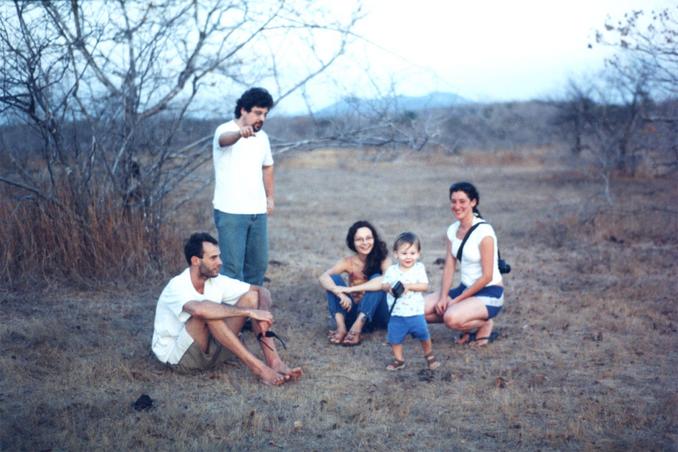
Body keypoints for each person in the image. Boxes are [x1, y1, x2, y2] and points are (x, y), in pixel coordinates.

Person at [151, 232, 302, 386]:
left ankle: (274, 361)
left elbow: (261, 290)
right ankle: (259, 369)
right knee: (208, 313)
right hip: (181, 359)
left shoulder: (216, 281)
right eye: (213, 258)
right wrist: (248, 312)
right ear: (196, 261)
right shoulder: (177, 285)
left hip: (213, 351)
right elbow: (199, 310)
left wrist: (262, 312)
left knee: (251, 297)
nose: (220, 262)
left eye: (219, 256)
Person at [424, 182, 505, 346]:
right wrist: (443, 297)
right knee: (419, 311)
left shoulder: (484, 233)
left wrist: (456, 300)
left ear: (473, 202)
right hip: (465, 288)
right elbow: (449, 266)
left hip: (489, 292)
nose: (457, 206)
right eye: (453, 201)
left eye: (462, 201)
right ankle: (466, 316)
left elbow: (487, 276)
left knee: (450, 318)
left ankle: (484, 323)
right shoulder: (452, 230)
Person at [348, 232, 441, 370]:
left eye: (412, 253)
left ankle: (429, 355)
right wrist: (389, 288)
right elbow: (383, 285)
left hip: (415, 313)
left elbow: (424, 286)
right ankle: (399, 360)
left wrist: (409, 286)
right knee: (395, 339)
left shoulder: (419, 268)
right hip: (397, 314)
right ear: (396, 254)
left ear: (418, 254)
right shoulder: (392, 271)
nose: (408, 257)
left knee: (424, 334)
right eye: (404, 253)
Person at [212, 87, 275, 285]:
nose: (262, 118)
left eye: (265, 114)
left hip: (257, 211)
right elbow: (224, 141)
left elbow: (268, 167)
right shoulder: (224, 130)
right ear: (243, 110)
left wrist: (270, 197)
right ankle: (231, 314)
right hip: (230, 211)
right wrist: (240, 134)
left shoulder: (263, 137)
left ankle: (252, 313)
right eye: (257, 113)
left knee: (257, 266)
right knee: (232, 268)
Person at [318, 221, 390, 346]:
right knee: (333, 279)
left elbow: (385, 281)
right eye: (359, 239)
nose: (365, 243)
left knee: (377, 279)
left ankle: (356, 329)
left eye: (369, 238)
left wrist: (350, 290)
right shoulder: (348, 262)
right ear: (353, 242)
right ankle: (341, 328)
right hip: (354, 312)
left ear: (374, 239)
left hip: (378, 314)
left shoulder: (383, 259)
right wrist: (339, 292)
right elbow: (323, 277)